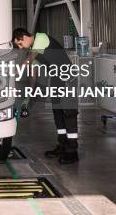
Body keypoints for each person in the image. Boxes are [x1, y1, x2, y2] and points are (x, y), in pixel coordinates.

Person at [13, 28, 79, 164]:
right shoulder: (34, 52)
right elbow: (33, 73)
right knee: (58, 112)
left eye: (20, 43)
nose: (20, 47)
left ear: (25, 37)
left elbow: (30, 58)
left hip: (67, 77)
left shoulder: (41, 38)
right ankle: (62, 146)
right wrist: (30, 94)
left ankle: (72, 151)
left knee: (68, 113)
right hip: (56, 78)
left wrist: (20, 67)